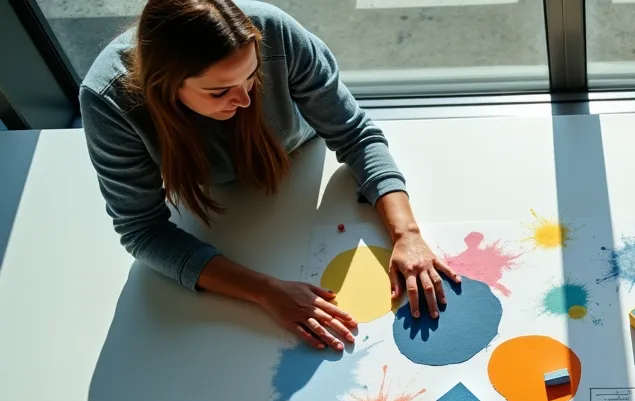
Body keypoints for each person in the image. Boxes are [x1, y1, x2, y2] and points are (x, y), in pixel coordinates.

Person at [81, 0, 460, 351]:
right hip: (225, 218)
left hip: (302, 169)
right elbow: (142, 229)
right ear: (163, 86)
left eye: (252, 77)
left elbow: (355, 134)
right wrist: (265, 291)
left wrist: (407, 232)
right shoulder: (107, 99)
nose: (246, 100)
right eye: (219, 92)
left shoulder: (275, 32)